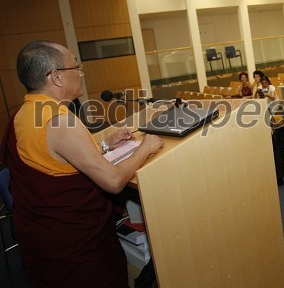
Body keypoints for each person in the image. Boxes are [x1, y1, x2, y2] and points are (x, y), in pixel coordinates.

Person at [2, 41, 164, 287]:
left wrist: (105, 145)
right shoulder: (59, 120)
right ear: (56, 77)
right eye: (75, 66)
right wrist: (146, 147)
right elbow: (113, 181)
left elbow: (54, 158)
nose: (80, 72)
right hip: (74, 248)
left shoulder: (23, 113)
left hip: (42, 241)